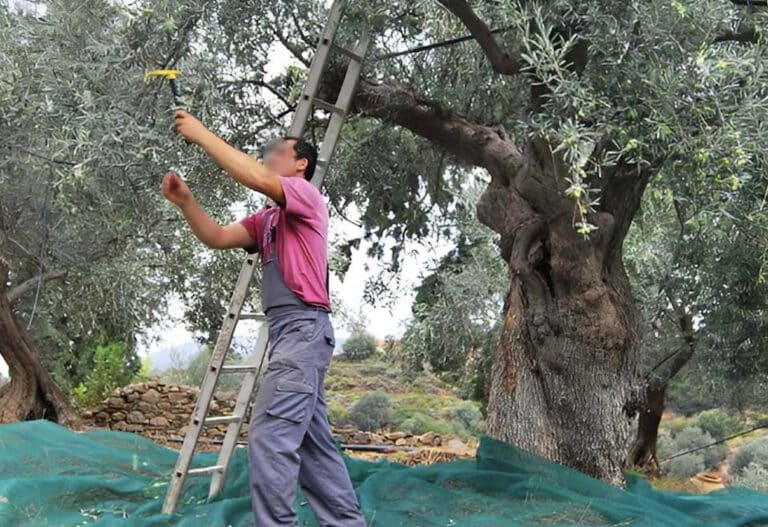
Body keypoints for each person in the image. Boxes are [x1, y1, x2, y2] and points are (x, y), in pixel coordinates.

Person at [162, 109, 367, 527]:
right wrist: (186, 202)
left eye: (279, 151)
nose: (269, 156)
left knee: (270, 437)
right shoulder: (268, 219)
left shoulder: (305, 195)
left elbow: (256, 177)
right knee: (313, 446)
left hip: (303, 330)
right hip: (293, 335)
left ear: (300, 164)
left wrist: (202, 134)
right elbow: (217, 237)